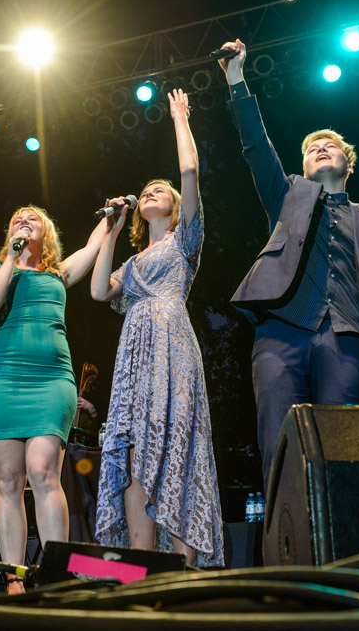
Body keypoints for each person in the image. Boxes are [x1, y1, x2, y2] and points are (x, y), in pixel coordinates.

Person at [217, 39, 359, 490]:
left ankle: (339, 555)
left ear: (347, 164)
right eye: (312, 146)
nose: (320, 147)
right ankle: (284, 550)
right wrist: (236, 79)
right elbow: (257, 147)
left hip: (346, 341)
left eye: (330, 145)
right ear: (301, 166)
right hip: (280, 334)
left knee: (342, 451)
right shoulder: (287, 197)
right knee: (280, 448)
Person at [90, 89, 224, 568]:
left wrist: (180, 118)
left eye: (158, 191)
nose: (150, 193)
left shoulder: (185, 240)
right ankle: (140, 569)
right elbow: (99, 291)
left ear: (174, 206)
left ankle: (185, 571)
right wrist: (112, 223)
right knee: (131, 454)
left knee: (174, 445)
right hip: (134, 354)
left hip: (171, 343)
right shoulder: (134, 261)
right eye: (145, 191)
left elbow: (189, 172)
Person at [0, 205, 111, 594]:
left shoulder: (58, 273)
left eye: (33, 217)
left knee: (44, 470)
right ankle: (14, 579)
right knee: (7, 480)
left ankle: (56, 577)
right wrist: (11, 257)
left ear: (47, 232)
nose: (24, 219)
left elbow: (93, 245)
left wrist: (109, 218)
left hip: (52, 382)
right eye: (18, 217)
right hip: (4, 379)